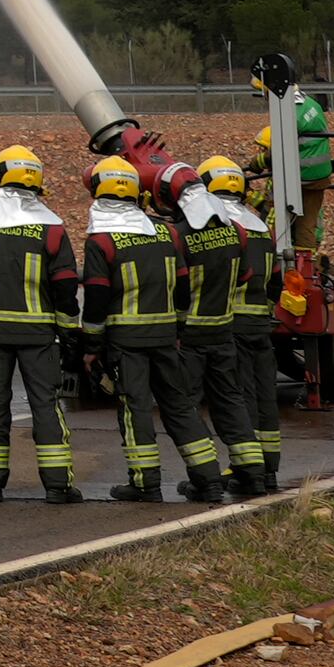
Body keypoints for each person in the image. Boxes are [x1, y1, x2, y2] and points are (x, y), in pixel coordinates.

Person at [80, 153, 225, 503]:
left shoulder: (101, 240)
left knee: (135, 409)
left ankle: (145, 484)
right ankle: (209, 478)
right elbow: (182, 286)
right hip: (164, 339)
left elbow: (97, 297)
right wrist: (176, 331)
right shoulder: (165, 233)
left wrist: (90, 344)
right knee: (180, 406)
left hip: (126, 342)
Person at [0, 142, 85, 503]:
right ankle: (57, 486)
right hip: (39, 336)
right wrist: (69, 335)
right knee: (46, 404)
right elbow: (66, 289)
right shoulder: (53, 229)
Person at [181, 155, 281, 497]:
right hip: (259, 326)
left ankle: (241, 468)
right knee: (264, 397)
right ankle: (267, 471)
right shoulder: (259, 227)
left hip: (229, 325)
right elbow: (274, 282)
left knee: (237, 399)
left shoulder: (222, 228)